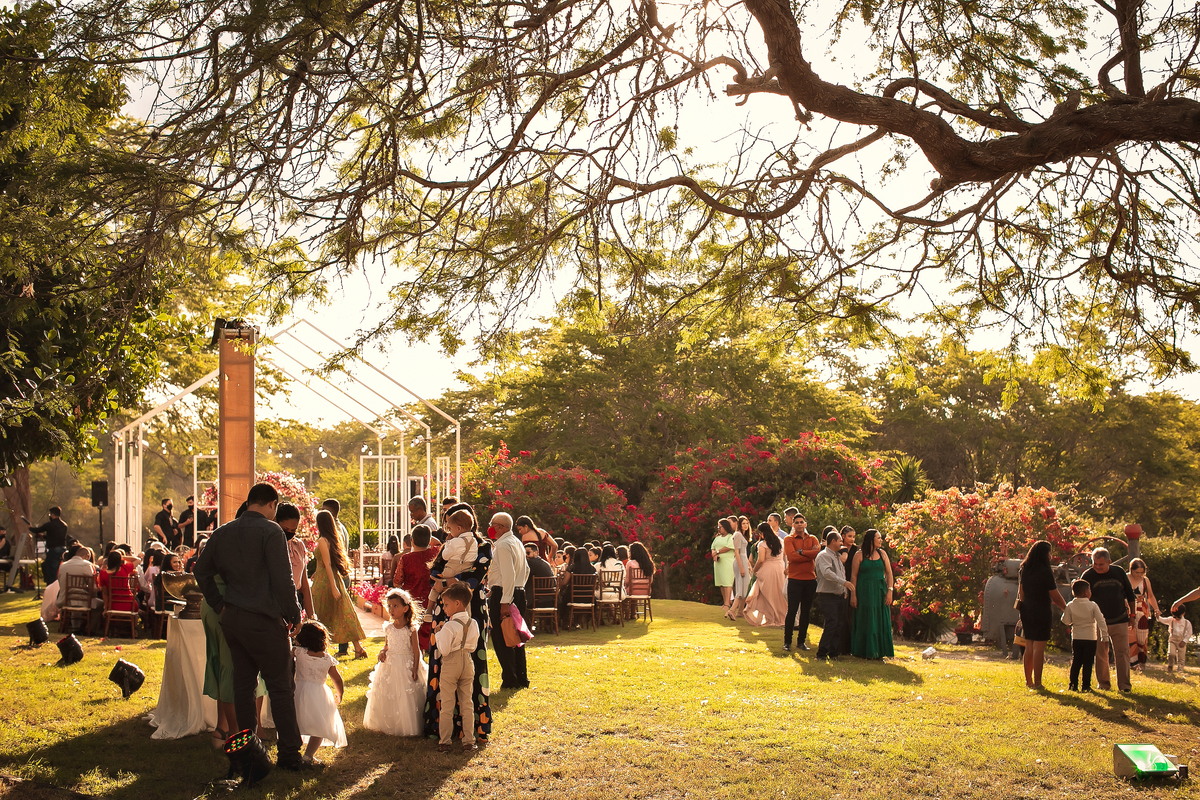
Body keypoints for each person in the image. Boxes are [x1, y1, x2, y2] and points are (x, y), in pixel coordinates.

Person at [194, 482, 309, 771]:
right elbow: (283, 580)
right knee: (281, 687)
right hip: (263, 618)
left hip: (233, 618)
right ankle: (289, 756)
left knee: (243, 687)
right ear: (272, 504)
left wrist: (219, 604)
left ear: (248, 502)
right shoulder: (271, 531)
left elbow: (200, 570)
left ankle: (248, 754)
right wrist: (295, 615)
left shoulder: (222, 532)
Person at [423, 501, 492, 745]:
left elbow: (475, 577)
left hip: (472, 610)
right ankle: (442, 726)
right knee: (443, 661)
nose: (448, 529)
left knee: (473, 662)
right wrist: (444, 580)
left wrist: (446, 582)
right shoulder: (449, 543)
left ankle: (472, 728)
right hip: (445, 609)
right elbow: (434, 571)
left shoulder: (484, 546)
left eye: (450, 524)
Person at [364, 588, 427, 735]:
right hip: (390, 663)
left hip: (405, 663)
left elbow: (416, 650)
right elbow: (387, 645)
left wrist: (415, 668)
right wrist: (382, 651)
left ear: (405, 608)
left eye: (395, 606)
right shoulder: (388, 628)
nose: (391, 609)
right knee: (388, 692)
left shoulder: (411, 629)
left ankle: (406, 724)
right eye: (389, 606)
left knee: (405, 693)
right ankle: (388, 723)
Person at [311, 510, 368, 659]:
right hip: (330, 578)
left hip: (326, 582)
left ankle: (320, 648)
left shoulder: (322, 540)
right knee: (343, 613)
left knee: (321, 613)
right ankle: (357, 648)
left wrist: (333, 587)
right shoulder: (333, 538)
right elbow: (326, 563)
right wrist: (317, 572)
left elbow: (328, 565)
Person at [292, 621, 347, 762]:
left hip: (299, 690)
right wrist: (339, 693)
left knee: (296, 720)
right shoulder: (327, 659)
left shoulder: (298, 652)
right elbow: (337, 679)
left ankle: (293, 750)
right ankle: (308, 755)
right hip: (319, 694)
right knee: (321, 724)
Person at [1082, 547, 1135, 692]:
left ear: (1109, 562)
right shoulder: (1088, 575)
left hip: (1120, 619)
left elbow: (1130, 595)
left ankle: (1124, 685)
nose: (1098, 567)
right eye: (1095, 564)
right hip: (1098, 622)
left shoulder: (1118, 572)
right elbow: (1082, 598)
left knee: (1122, 652)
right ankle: (1104, 683)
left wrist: (1132, 616)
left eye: (1101, 564)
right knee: (1101, 654)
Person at [434, 582, 480, 752]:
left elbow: (444, 650)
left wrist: (438, 634)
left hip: (451, 662)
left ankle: (445, 742)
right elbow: (473, 647)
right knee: (467, 703)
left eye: (446, 604)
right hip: (467, 661)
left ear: (457, 603)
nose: (444, 608)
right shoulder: (473, 623)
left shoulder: (449, 626)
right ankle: (469, 741)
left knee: (447, 704)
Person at [488, 512, 530, 690]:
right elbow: (526, 570)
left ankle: (510, 679)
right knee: (516, 637)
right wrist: (518, 589)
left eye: (492, 524)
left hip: (504, 594)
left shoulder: (503, 545)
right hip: (517, 591)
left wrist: (505, 600)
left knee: (502, 637)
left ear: (499, 527)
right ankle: (520, 676)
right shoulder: (516, 542)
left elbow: (508, 574)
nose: (490, 528)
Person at [1019, 540, 1068, 689]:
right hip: (1041, 610)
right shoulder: (1045, 571)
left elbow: (1021, 593)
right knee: (1039, 648)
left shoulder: (1024, 569)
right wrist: (1067, 609)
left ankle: (1028, 681)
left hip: (1027, 609)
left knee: (1029, 646)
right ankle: (1038, 682)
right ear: (1045, 554)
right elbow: (1055, 595)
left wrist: (1023, 609)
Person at [849, 528, 894, 659]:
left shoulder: (882, 553)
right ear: (871, 540)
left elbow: (889, 573)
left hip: (880, 591)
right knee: (866, 619)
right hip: (864, 592)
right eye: (878, 538)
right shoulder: (859, 555)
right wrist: (853, 595)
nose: (881, 540)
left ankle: (880, 652)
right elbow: (854, 575)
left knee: (880, 619)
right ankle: (863, 651)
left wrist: (890, 591)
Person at [426, 509, 480, 616]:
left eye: (450, 529)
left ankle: (429, 609)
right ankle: (466, 617)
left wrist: (448, 543)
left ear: (458, 528)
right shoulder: (474, 541)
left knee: (437, 585)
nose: (449, 532)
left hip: (453, 567)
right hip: (466, 568)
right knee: (464, 595)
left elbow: (445, 556)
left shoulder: (455, 541)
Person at [1060, 579, 1110, 692]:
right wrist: (1104, 636)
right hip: (1090, 638)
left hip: (1077, 637)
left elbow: (1066, 621)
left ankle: (1073, 684)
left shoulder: (1070, 605)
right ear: (1086, 592)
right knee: (1088, 662)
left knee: (1076, 661)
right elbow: (1101, 620)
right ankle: (1085, 686)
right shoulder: (1092, 605)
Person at [397, 524, 441, 650]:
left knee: (413, 632)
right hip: (432, 599)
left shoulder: (406, 558)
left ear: (412, 540)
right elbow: (439, 543)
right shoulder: (435, 553)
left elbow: (397, 581)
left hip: (413, 600)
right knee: (431, 629)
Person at [814, 530, 854, 661]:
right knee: (831, 623)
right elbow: (827, 573)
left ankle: (833, 653)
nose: (842, 543)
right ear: (833, 541)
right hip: (827, 595)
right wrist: (844, 583)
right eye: (840, 541)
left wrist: (844, 591)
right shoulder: (824, 556)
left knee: (838, 625)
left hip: (839, 595)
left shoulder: (837, 557)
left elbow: (841, 573)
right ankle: (821, 653)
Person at [782, 514, 819, 652]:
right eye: (796, 522)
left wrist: (802, 552)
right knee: (792, 610)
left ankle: (801, 641)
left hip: (810, 579)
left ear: (805, 524)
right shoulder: (788, 539)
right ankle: (787, 642)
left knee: (805, 612)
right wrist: (808, 554)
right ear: (793, 525)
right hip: (795, 579)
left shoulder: (813, 538)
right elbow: (792, 557)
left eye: (801, 522)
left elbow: (816, 553)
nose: (799, 524)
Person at [743, 523, 787, 628]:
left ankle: (770, 618)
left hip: (768, 569)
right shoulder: (781, 541)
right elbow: (784, 556)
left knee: (766, 594)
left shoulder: (763, 544)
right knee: (778, 594)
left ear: (762, 533)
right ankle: (780, 617)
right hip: (779, 568)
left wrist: (755, 570)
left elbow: (761, 560)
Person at [277, 503, 314, 619]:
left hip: (297, 600)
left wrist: (312, 615)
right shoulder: (272, 546)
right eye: (285, 529)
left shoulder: (299, 545)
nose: (289, 533)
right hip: (277, 603)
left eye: (293, 530)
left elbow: (304, 584)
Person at [1126, 558, 1160, 672]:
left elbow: (1150, 596)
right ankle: (1132, 663)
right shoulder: (1125, 577)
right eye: (1137, 572)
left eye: (1142, 572)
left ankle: (1141, 662)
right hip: (1127, 609)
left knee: (1142, 638)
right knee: (1129, 636)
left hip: (1142, 611)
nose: (1139, 575)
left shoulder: (1145, 580)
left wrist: (1156, 609)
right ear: (1131, 570)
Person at [29, 507, 69, 584]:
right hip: (62, 549)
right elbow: (55, 537)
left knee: (51, 570)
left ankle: (52, 585)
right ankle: (59, 584)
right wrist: (43, 536)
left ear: (52, 514)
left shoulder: (50, 525)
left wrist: (30, 528)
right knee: (59, 569)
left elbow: (37, 530)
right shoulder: (64, 525)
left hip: (53, 550)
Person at [711, 520, 736, 616]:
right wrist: (714, 554)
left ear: (725, 527)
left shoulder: (730, 537)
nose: (719, 529)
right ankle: (725, 601)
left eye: (720, 527)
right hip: (718, 562)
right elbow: (713, 547)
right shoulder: (717, 538)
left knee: (727, 582)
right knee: (721, 582)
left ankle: (727, 603)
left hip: (727, 562)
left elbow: (728, 547)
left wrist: (717, 552)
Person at [730, 518, 750, 620]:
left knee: (745, 586)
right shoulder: (737, 534)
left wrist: (748, 565)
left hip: (744, 560)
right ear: (740, 524)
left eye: (747, 523)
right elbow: (736, 552)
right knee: (740, 587)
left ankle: (740, 611)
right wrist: (741, 567)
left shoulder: (743, 535)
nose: (745, 525)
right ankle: (732, 610)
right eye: (743, 523)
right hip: (739, 562)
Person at [524, 541, 555, 607]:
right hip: (550, 598)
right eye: (524, 553)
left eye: (528, 553)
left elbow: (523, 577)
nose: (526, 555)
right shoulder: (545, 563)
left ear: (536, 553)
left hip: (537, 599)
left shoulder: (531, 563)